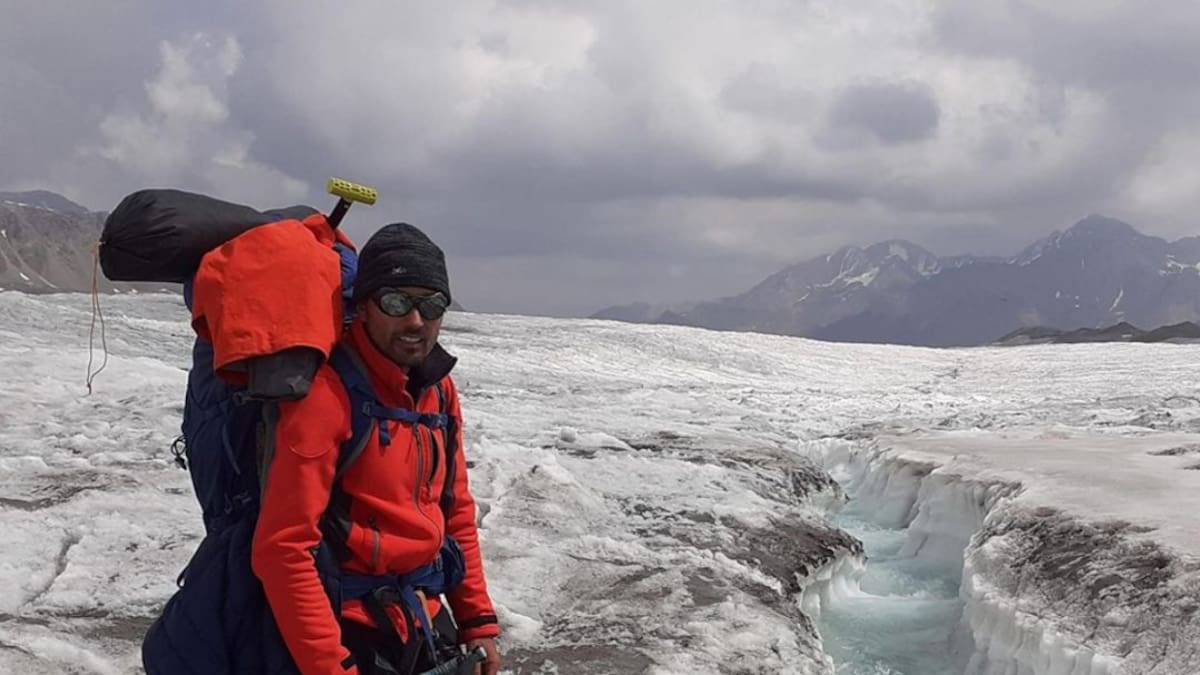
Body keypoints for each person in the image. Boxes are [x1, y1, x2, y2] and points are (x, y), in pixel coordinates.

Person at [251, 223, 501, 675]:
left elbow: (455, 510)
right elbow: (284, 547)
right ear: (364, 306)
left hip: (422, 614)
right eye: (396, 302)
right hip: (348, 625)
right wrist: (330, 666)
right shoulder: (326, 396)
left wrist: (476, 619)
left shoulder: (438, 390)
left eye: (431, 304)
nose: (416, 320)